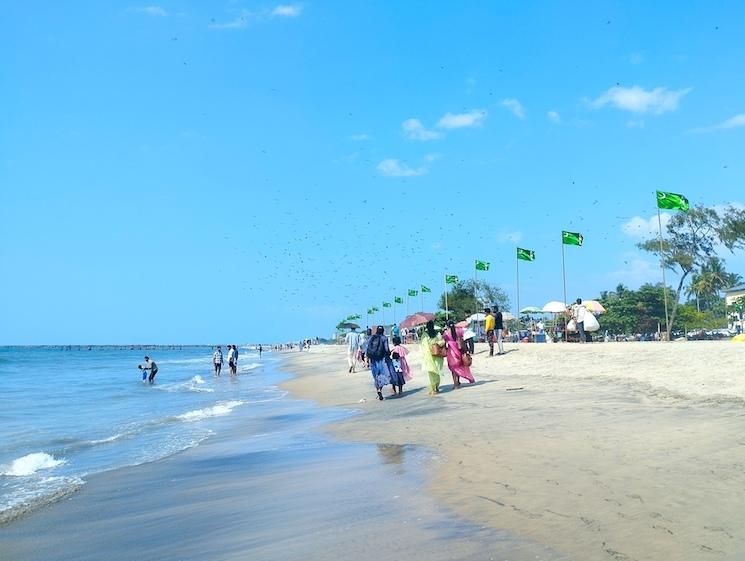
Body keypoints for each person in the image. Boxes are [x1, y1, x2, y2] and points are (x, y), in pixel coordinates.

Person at [443, 320, 475, 388]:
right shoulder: (459, 330)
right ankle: (458, 381)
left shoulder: (446, 333)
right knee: (459, 365)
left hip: (451, 351)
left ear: (447, 325)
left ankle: (456, 383)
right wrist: (457, 325)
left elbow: (443, 341)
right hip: (459, 349)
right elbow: (465, 326)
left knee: (453, 368)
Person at [366, 326, 393, 400]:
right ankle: (380, 390)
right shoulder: (384, 338)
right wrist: (389, 353)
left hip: (373, 359)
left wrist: (367, 360)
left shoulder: (372, 337)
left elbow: (367, 349)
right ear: (383, 331)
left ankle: (378, 390)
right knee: (383, 374)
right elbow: (387, 349)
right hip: (382, 359)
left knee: (376, 375)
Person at [419, 320, 445, 395]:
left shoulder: (425, 334)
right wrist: (436, 343)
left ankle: (433, 389)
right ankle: (436, 387)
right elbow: (442, 342)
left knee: (431, 372)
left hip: (429, 356)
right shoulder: (438, 333)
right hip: (438, 355)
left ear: (427, 327)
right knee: (437, 371)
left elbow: (423, 346)